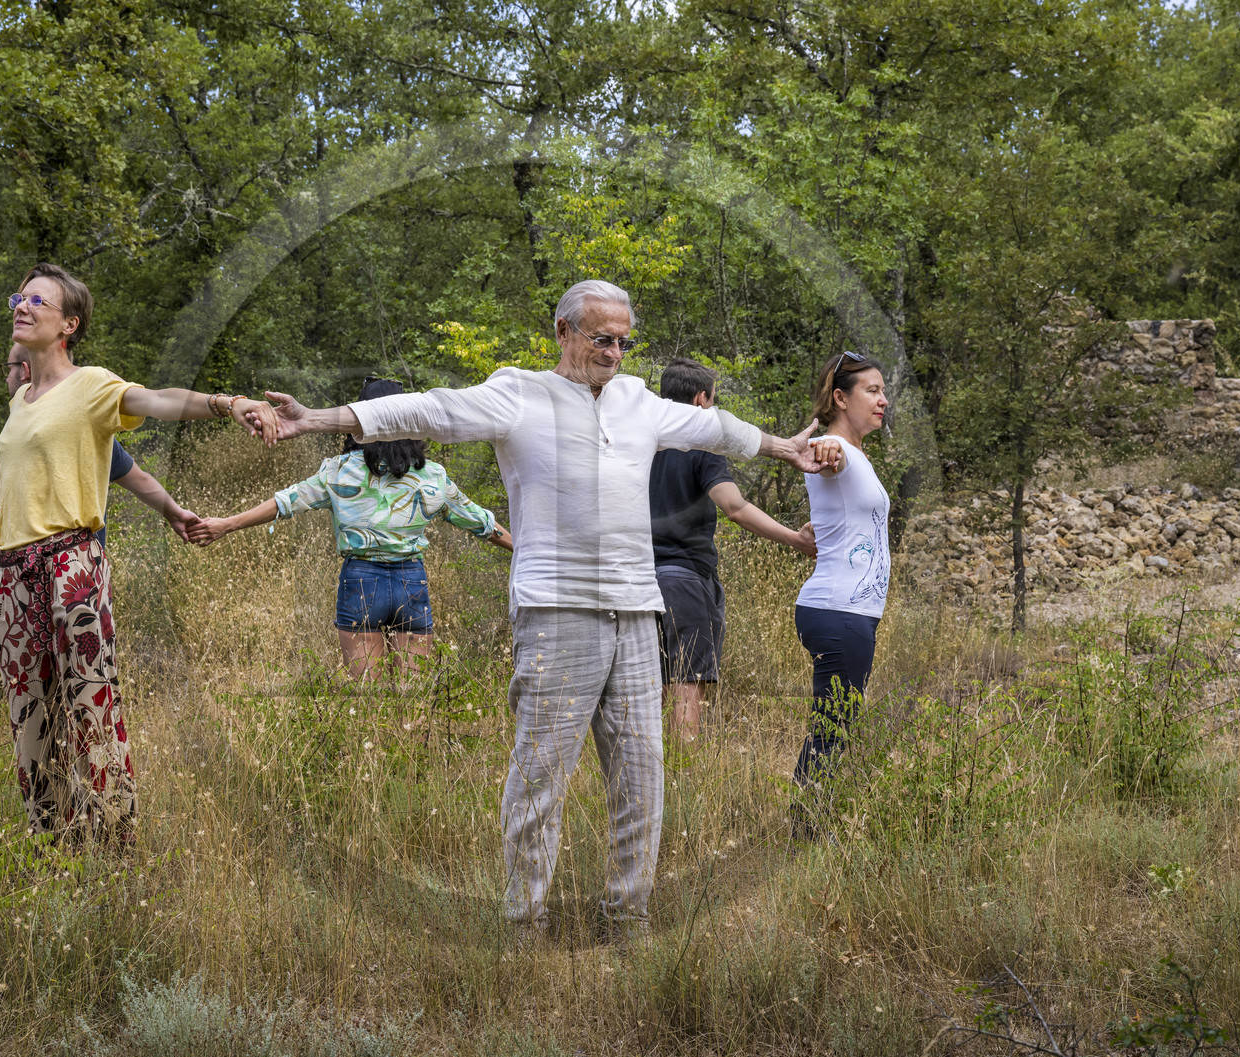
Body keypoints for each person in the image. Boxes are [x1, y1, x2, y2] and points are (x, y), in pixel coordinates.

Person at [255, 279, 839, 942]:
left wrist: (783, 447)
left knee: (644, 777)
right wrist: (319, 419)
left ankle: (629, 917)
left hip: (636, 613)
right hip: (557, 612)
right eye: (601, 338)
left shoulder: (638, 402)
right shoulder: (519, 393)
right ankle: (523, 922)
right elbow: (431, 410)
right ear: (563, 331)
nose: (614, 352)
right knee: (540, 779)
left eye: (624, 340)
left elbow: (712, 427)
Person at [0, 262, 278, 847]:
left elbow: (157, 399)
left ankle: (112, 844)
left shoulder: (92, 387)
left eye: (38, 301)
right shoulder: (22, 401)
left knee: (90, 702)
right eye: (18, 297)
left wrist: (226, 402)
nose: (21, 306)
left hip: (71, 565)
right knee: (30, 719)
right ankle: (56, 847)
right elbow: (9, 464)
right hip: (14, 575)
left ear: (69, 325)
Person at [188, 377, 512, 681]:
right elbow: (482, 523)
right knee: (412, 696)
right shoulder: (433, 475)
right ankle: (408, 739)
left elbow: (284, 502)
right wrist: (523, 547)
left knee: (367, 697)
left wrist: (226, 525)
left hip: (361, 581)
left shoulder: (339, 470)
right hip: (411, 580)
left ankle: (374, 742)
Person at [650, 357, 814, 742]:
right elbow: (734, 507)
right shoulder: (702, 444)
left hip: (636, 580)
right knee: (687, 687)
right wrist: (795, 538)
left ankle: (650, 781)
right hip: (685, 582)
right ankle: (682, 783)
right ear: (702, 400)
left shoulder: (641, 442)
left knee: (648, 690)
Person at [790, 351, 891, 841]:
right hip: (839, 609)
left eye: (882, 390)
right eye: (871, 390)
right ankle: (809, 834)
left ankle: (811, 825)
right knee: (832, 728)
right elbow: (827, 457)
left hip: (846, 610)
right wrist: (826, 450)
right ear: (839, 397)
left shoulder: (858, 453)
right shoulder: (834, 447)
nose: (883, 399)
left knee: (835, 724)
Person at [0, 346, 200, 554]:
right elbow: (141, 480)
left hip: (73, 572)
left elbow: (158, 402)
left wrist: (224, 404)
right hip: (28, 573)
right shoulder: (20, 431)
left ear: (25, 370)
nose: (6, 378)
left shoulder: (82, 426)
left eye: (8, 369)